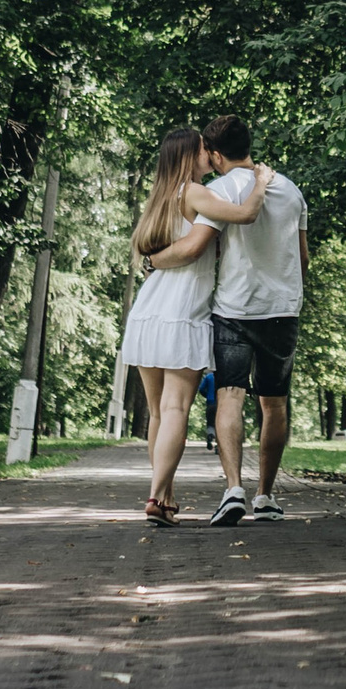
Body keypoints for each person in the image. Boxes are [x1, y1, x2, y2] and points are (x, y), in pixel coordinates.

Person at [117, 127, 275, 525]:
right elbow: (246, 214)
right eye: (204, 148)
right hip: (183, 310)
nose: (211, 152)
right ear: (191, 155)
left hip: (149, 309)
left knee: (158, 413)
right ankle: (155, 498)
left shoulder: (160, 198)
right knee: (175, 409)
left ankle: (165, 498)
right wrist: (261, 182)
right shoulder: (195, 192)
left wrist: (154, 262)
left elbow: (155, 253)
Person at [198, 114, 308, 526]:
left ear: (213, 152)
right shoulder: (291, 190)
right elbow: (302, 257)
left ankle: (233, 489)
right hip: (282, 310)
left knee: (230, 396)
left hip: (234, 309)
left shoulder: (218, 190)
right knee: (274, 404)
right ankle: (266, 496)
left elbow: (204, 248)